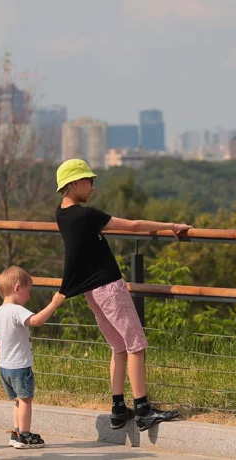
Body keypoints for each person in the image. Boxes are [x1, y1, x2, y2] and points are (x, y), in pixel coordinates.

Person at [55, 158, 192, 431]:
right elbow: (133, 225)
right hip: (109, 288)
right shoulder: (86, 215)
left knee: (119, 347)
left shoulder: (61, 214)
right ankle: (143, 409)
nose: (93, 187)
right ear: (74, 184)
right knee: (136, 344)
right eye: (89, 182)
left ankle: (118, 408)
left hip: (91, 292)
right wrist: (171, 225)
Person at [0, 266, 66, 449]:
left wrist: (2, 358)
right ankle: (25, 435)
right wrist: (54, 304)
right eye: (28, 291)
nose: (29, 296)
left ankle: (16, 433)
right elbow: (37, 321)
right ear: (17, 288)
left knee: (18, 400)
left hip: (4, 367)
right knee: (25, 401)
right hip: (20, 367)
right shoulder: (16, 310)